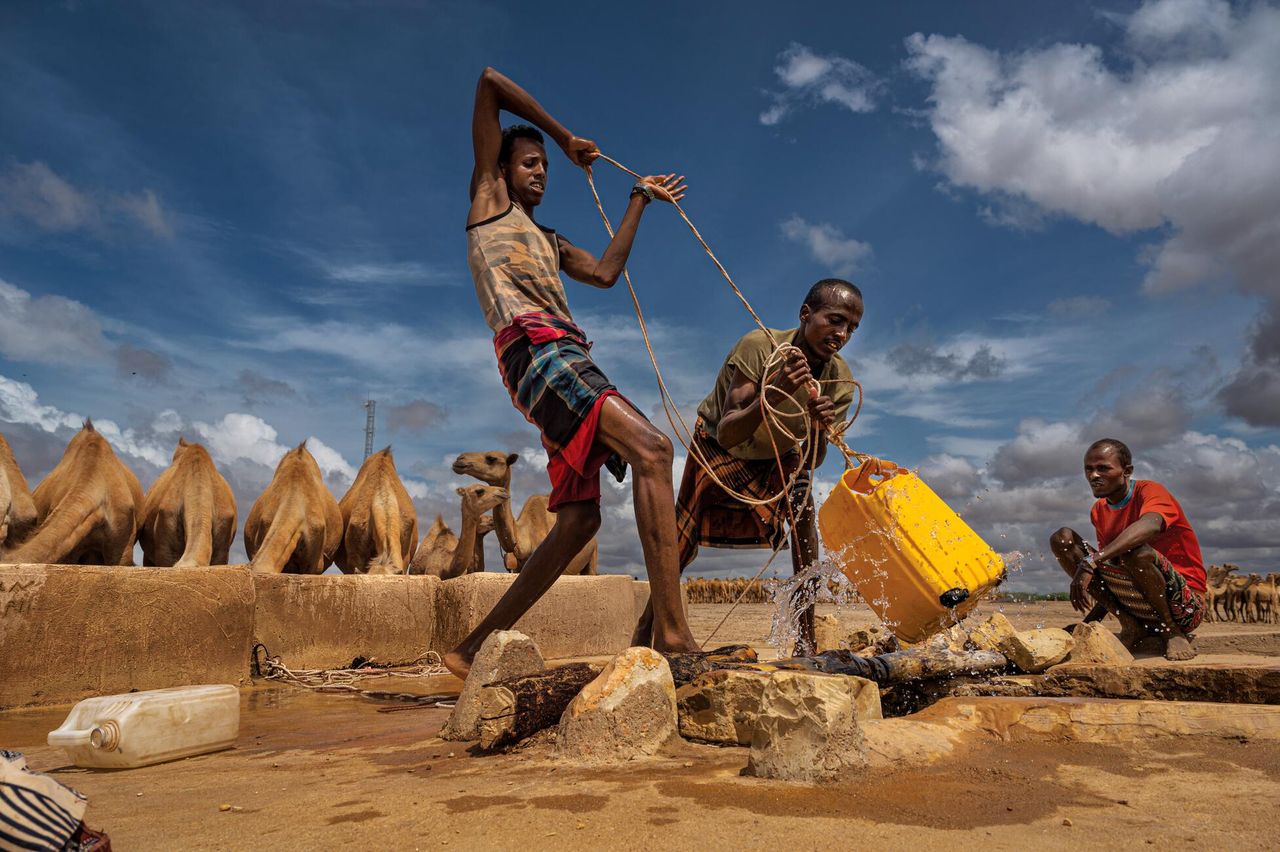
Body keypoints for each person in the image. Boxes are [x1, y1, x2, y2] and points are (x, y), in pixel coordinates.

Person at [444, 67, 700, 677]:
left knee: (581, 518)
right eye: (528, 162)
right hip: (538, 350)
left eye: (544, 165)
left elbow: (607, 273)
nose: (539, 172)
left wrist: (637, 201)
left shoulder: (550, 240)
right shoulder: (488, 202)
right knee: (654, 451)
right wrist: (562, 136)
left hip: (564, 355)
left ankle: (471, 648)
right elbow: (487, 83)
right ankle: (672, 635)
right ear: (501, 169)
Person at [633, 279, 863, 655]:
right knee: (681, 540)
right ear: (806, 315)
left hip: (779, 455)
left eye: (851, 328)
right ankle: (648, 626)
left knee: (805, 517)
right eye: (834, 320)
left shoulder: (839, 380)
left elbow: (814, 458)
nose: (841, 334)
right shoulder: (760, 347)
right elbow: (728, 431)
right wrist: (777, 392)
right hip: (719, 445)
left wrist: (820, 427)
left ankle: (805, 641)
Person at [1049, 439, 1206, 661]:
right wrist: (1088, 626)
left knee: (1134, 550)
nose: (1094, 475)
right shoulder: (1099, 511)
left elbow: (1151, 525)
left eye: (1103, 468)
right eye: (1089, 469)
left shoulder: (1150, 491)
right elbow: (1107, 568)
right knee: (1062, 538)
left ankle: (1171, 632)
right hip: (1138, 606)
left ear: (1127, 471)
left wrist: (1091, 560)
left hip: (1184, 608)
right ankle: (1131, 625)